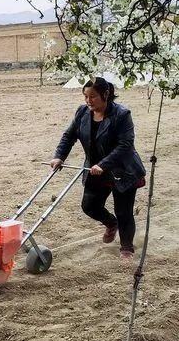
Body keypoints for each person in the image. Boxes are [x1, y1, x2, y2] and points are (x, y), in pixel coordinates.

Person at [50, 77, 146, 259]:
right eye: (85, 96)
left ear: (106, 94)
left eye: (92, 97)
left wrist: (104, 164)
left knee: (124, 211)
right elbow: (69, 136)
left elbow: (125, 145)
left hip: (122, 170)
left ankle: (127, 248)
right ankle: (111, 223)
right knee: (89, 205)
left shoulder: (122, 114)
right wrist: (59, 156)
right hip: (95, 170)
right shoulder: (82, 113)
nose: (88, 101)